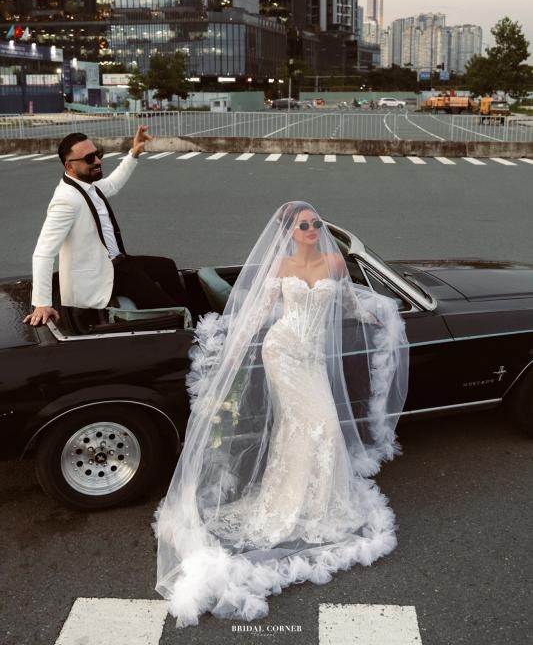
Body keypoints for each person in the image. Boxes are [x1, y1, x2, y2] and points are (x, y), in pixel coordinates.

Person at [154, 201, 409, 627]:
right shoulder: (282, 266)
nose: (311, 229)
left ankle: (316, 501)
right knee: (315, 425)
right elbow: (258, 314)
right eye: (303, 225)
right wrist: (230, 354)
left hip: (312, 358)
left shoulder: (334, 263)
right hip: (282, 351)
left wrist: (376, 314)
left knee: (313, 428)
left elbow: (349, 303)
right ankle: (292, 503)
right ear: (289, 232)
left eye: (315, 223)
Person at [24, 126, 186, 326]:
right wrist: (41, 303)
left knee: (167, 266)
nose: (98, 161)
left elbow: (113, 184)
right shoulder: (66, 201)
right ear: (69, 166)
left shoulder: (87, 185)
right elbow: (43, 252)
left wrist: (134, 153)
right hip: (103, 276)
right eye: (89, 158)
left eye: (98, 154)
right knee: (168, 308)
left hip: (119, 263)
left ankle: (195, 318)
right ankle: (185, 324)